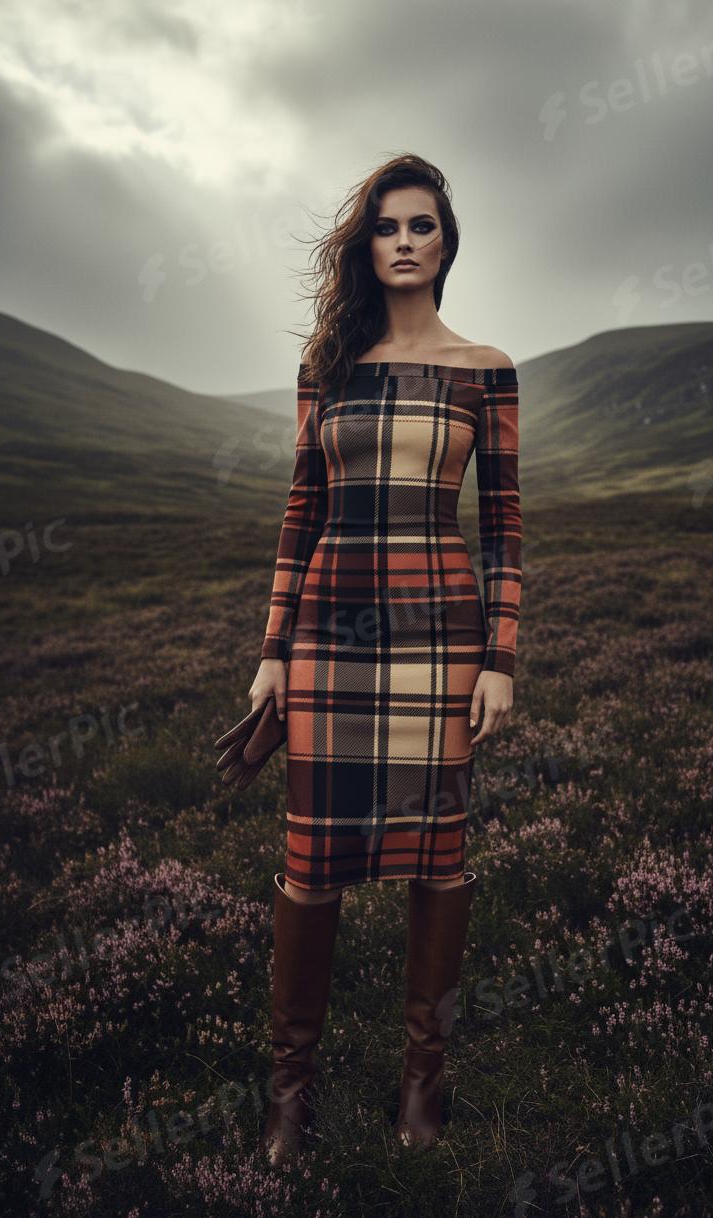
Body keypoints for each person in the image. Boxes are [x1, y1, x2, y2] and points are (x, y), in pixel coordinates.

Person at [248, 153, 522, 1164]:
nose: (404, 241)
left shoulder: (485, 369)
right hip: (327, 635)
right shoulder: (328, 369)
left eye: (423, 227)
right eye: (387, 226)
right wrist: (272, 649)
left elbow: (502, 526)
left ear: (446, 246)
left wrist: (500, 657)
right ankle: (290, 1094)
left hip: (438, 640)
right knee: (310, 863)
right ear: (366, 245)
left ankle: (422, 1083)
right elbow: (297, 513)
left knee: (437, 857)